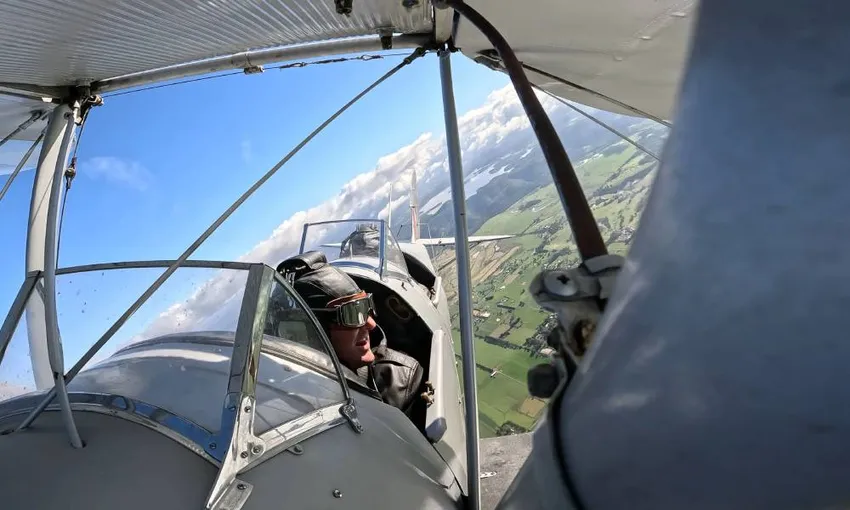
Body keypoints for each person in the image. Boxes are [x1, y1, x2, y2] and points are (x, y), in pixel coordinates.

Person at [277, 251, 425, 416]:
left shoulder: (400, 381)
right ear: (313, 331)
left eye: (366, 307)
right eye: (353, 314)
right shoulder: (288, 397)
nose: (371, 324)